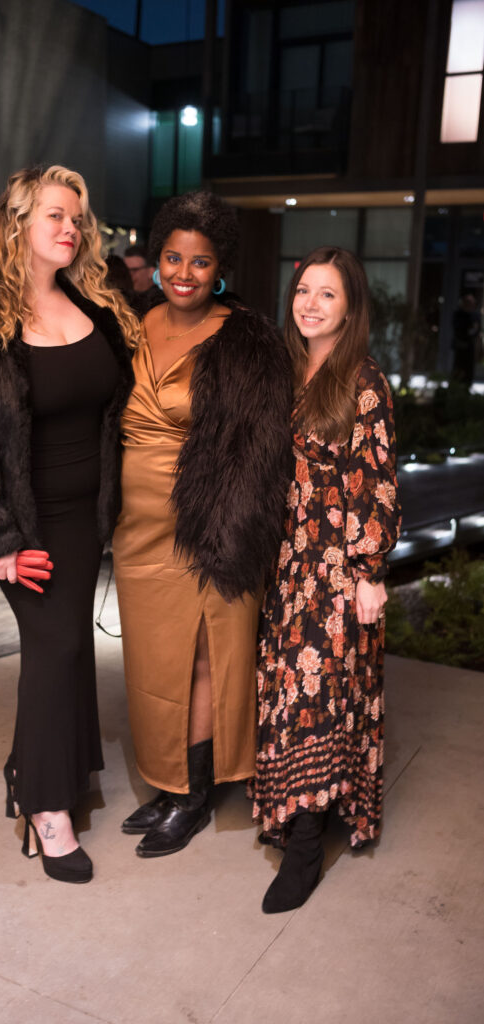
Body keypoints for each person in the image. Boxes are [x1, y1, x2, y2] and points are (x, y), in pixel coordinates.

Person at [0, 165, 137, 883]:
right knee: (57, 649)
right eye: (54, 214)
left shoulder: (94, 306)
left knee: (70, 648)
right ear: (16, 223)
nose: (70, 227)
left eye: (77, 217)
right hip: (21, 524)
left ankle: (38, 767)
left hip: (85, 518)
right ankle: (46, 807)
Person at [112, 191, 292, 857]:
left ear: (220, 269)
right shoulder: (130, 322)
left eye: (199, 261)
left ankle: (192, 793)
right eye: (172, 257)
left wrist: (233, 535)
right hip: (136, 528)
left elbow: (264, 450)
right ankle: (166, 782)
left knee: (204, 658)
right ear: (156, 259)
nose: (183, 273)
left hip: (211, 525)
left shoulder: (246, 339)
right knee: (153, 662)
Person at [250, 246, 401, 914]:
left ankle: (305, 849)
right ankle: (293, 810)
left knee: (315, 697)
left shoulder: (364, 382)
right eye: (303, 290)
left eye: (327, 294)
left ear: (350, 306)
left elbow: (378, 481)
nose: (309, 304)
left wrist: (369, 571)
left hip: (337, 568)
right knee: (285, 694)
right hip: (285, 562)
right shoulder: (286, 370)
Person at [124, 243, 160, 316]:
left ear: (151, 271)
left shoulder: (159, 302)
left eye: (134, 270)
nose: (129, 275)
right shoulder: (122, 299)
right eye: (126, 270)